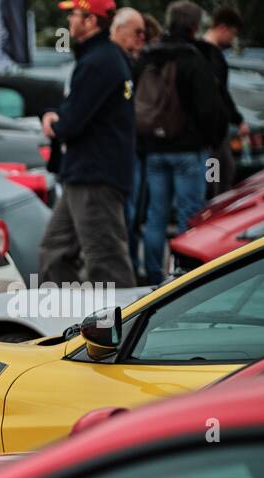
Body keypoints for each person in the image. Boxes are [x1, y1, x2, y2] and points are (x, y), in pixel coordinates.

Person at [39, 0, 137, 287]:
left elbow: (71, 122)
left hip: (94, 177)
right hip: (85, 174)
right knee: (55, 252)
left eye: (75, 15)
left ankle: (129, 326)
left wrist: (53, 121)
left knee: (106, 261)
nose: (70, 21)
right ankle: (60, 320)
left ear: (91, 21)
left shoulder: (99, 61)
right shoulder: (104, 58)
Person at [133, 2, 227, 283]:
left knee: (155, 216)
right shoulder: (194, 59)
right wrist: (211, 140)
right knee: (190, 215)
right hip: (188, 150)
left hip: (153, 150)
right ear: (194, 26)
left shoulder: (147, 57)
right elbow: (209, 108)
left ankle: (152, 277)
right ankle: (186, 279)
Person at [112, 8, 148, 279]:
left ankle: (133, 272)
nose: (141, 39)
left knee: (133, 216)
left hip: (131, 152)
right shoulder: (115, 63)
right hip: (121, 156)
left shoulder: (132, 64)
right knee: (126, 219)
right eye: (137, 32)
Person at [198, 6, 248, 198]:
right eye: (232, 33)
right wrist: (237, 118)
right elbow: (220, 94)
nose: (232, 39)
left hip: (209, 131)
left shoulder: (199, 51)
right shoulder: (211, 55)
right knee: (218, 177)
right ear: (223, 28)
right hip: (214, 134)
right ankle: (214, 213)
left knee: (219, 174)